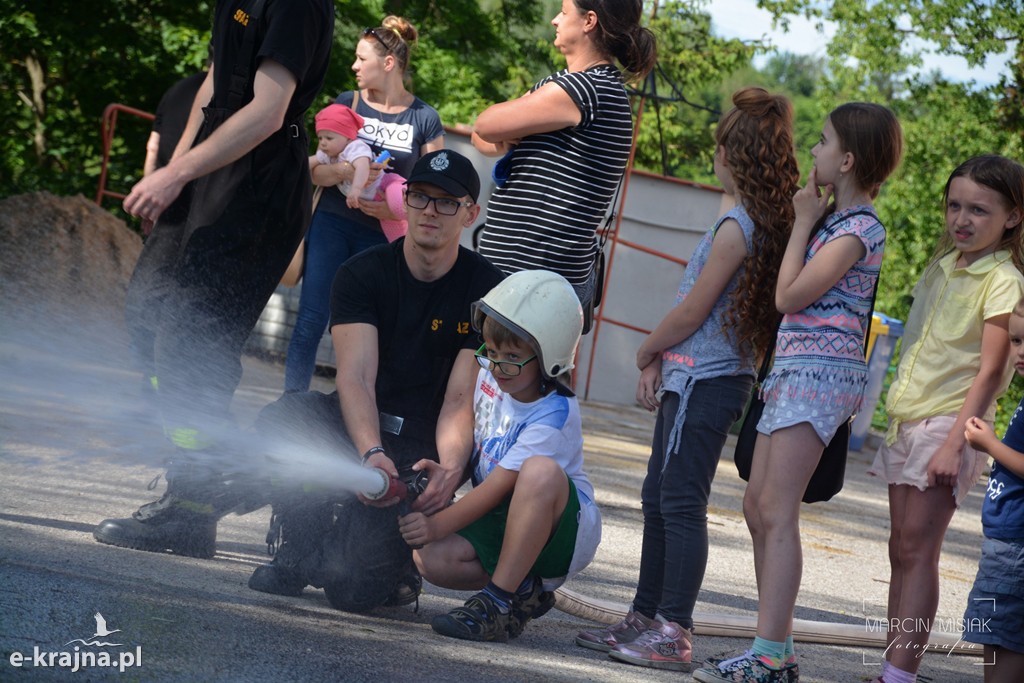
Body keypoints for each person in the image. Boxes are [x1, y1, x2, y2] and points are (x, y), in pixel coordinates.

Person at [93, 0, 334, 558]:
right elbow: (210, 86)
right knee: (147, 317)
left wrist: (180, 172)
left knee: (191, 343)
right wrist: (173, 177)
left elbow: (269, 109)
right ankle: (204, 472)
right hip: (208, 171)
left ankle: (194, 506)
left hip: (256, 187)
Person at [575, 87, 800, 671]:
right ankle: (644, 616)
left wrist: (648, 352)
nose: (714, 154)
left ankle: (673, 628)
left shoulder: (736, 226)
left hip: (707, 380)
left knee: (679, 500)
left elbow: (691, 312)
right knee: (660, 494)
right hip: (698, 378)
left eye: (720, 145)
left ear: (733, 153)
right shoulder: (748, 221)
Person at [693, 102, 904, 683]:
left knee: (777, 510)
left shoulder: (859, 229)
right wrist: (811, 220)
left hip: (819, 380)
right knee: (756, 504)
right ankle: (775, 649)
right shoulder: (838, 221)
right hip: (791, 371)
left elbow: (789, 297)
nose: (813, 150)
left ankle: (767, 656)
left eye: (823, 140)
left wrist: (803, 221)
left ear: (849, 159)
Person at [247, 149, 505, 612]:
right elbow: (357, 377)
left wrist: (448, 471)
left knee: (351, 591)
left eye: (448, 202)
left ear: (471, 213)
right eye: (421, 196)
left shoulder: (486, 289)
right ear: (403, 200)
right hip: (361, 428)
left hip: (425, 447)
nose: (431, 210)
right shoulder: (361, 273)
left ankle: (394, 568)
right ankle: (299, 546)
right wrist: (371, 453)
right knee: (284, 420)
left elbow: (460, 399)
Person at [865, 155, 1024, 683]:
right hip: (909, 420)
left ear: (1012, 217)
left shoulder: (1002, 278)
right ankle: (893, 665)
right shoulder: (943, 263)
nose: (963, 219)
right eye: (955, 205)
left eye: (979, 209)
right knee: (899, 547)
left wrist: (956, 444)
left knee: (918, 548)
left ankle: (899, 674)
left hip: (952, 423)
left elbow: (991, 370)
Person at [398, 270, 602, 642]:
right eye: (490, 352)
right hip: (505, 515)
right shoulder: (491, 374)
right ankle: (524, 590)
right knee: (431, 558)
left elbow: (496, 488)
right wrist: (444, 476)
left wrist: (437, 524)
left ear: (549, 356)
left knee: (539, 471)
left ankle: (498, 603)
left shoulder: (553, 415)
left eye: (511, 357)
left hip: (563, 532)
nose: (495, 366)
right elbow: (457, 404)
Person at [284, 15, 444, 394]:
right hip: (332, 225)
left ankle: (356, 415)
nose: (354, 66)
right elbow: (315, 172)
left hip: (384, 241)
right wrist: (347, 171)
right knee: (310, 320)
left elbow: (436, 188)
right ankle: (290, 407)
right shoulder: (346, 103)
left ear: (388, 64)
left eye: (361, 59)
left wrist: (395, 209)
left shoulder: (425, 118)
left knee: (368, 332)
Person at [471, 0, 657, 309]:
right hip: (525, 279)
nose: (555, 20)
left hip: (528, 283)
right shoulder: (581, 88)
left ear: (589, 21)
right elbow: (483, 138)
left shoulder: (585, 90)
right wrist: (506, 138)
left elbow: (485, 123)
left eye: (564, 11)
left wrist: (505, 134)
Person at [962, 298, 1024, 683]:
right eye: (1017, 341)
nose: (1021, 352)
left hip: (1017, 551)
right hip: (1004, 544)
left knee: (1008, 646)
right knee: (993, 637)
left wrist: (991, 446)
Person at [311, 103, 406, 239]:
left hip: (386, 185)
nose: (323, 143)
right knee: (396, 238)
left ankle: (415, 212)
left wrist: (355, 189)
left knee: (398, 206)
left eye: (329, 138)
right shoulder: (329, 153)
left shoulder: (354, 147)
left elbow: (362, 167)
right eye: (320, 138)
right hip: (375, 202)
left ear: (347, 137)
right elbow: (308, 164)